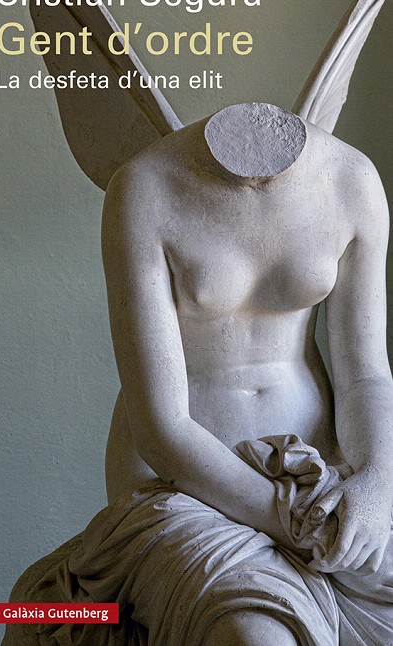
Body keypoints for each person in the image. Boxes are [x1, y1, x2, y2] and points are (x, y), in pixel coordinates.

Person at [101, 103, 393, 645]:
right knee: (256, 635)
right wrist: (290, 522)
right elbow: (161, 429)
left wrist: (377, 481)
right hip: (185, 489)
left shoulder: (352, 180)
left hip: (318, 475)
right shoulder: (145, 187)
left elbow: (367, 376)